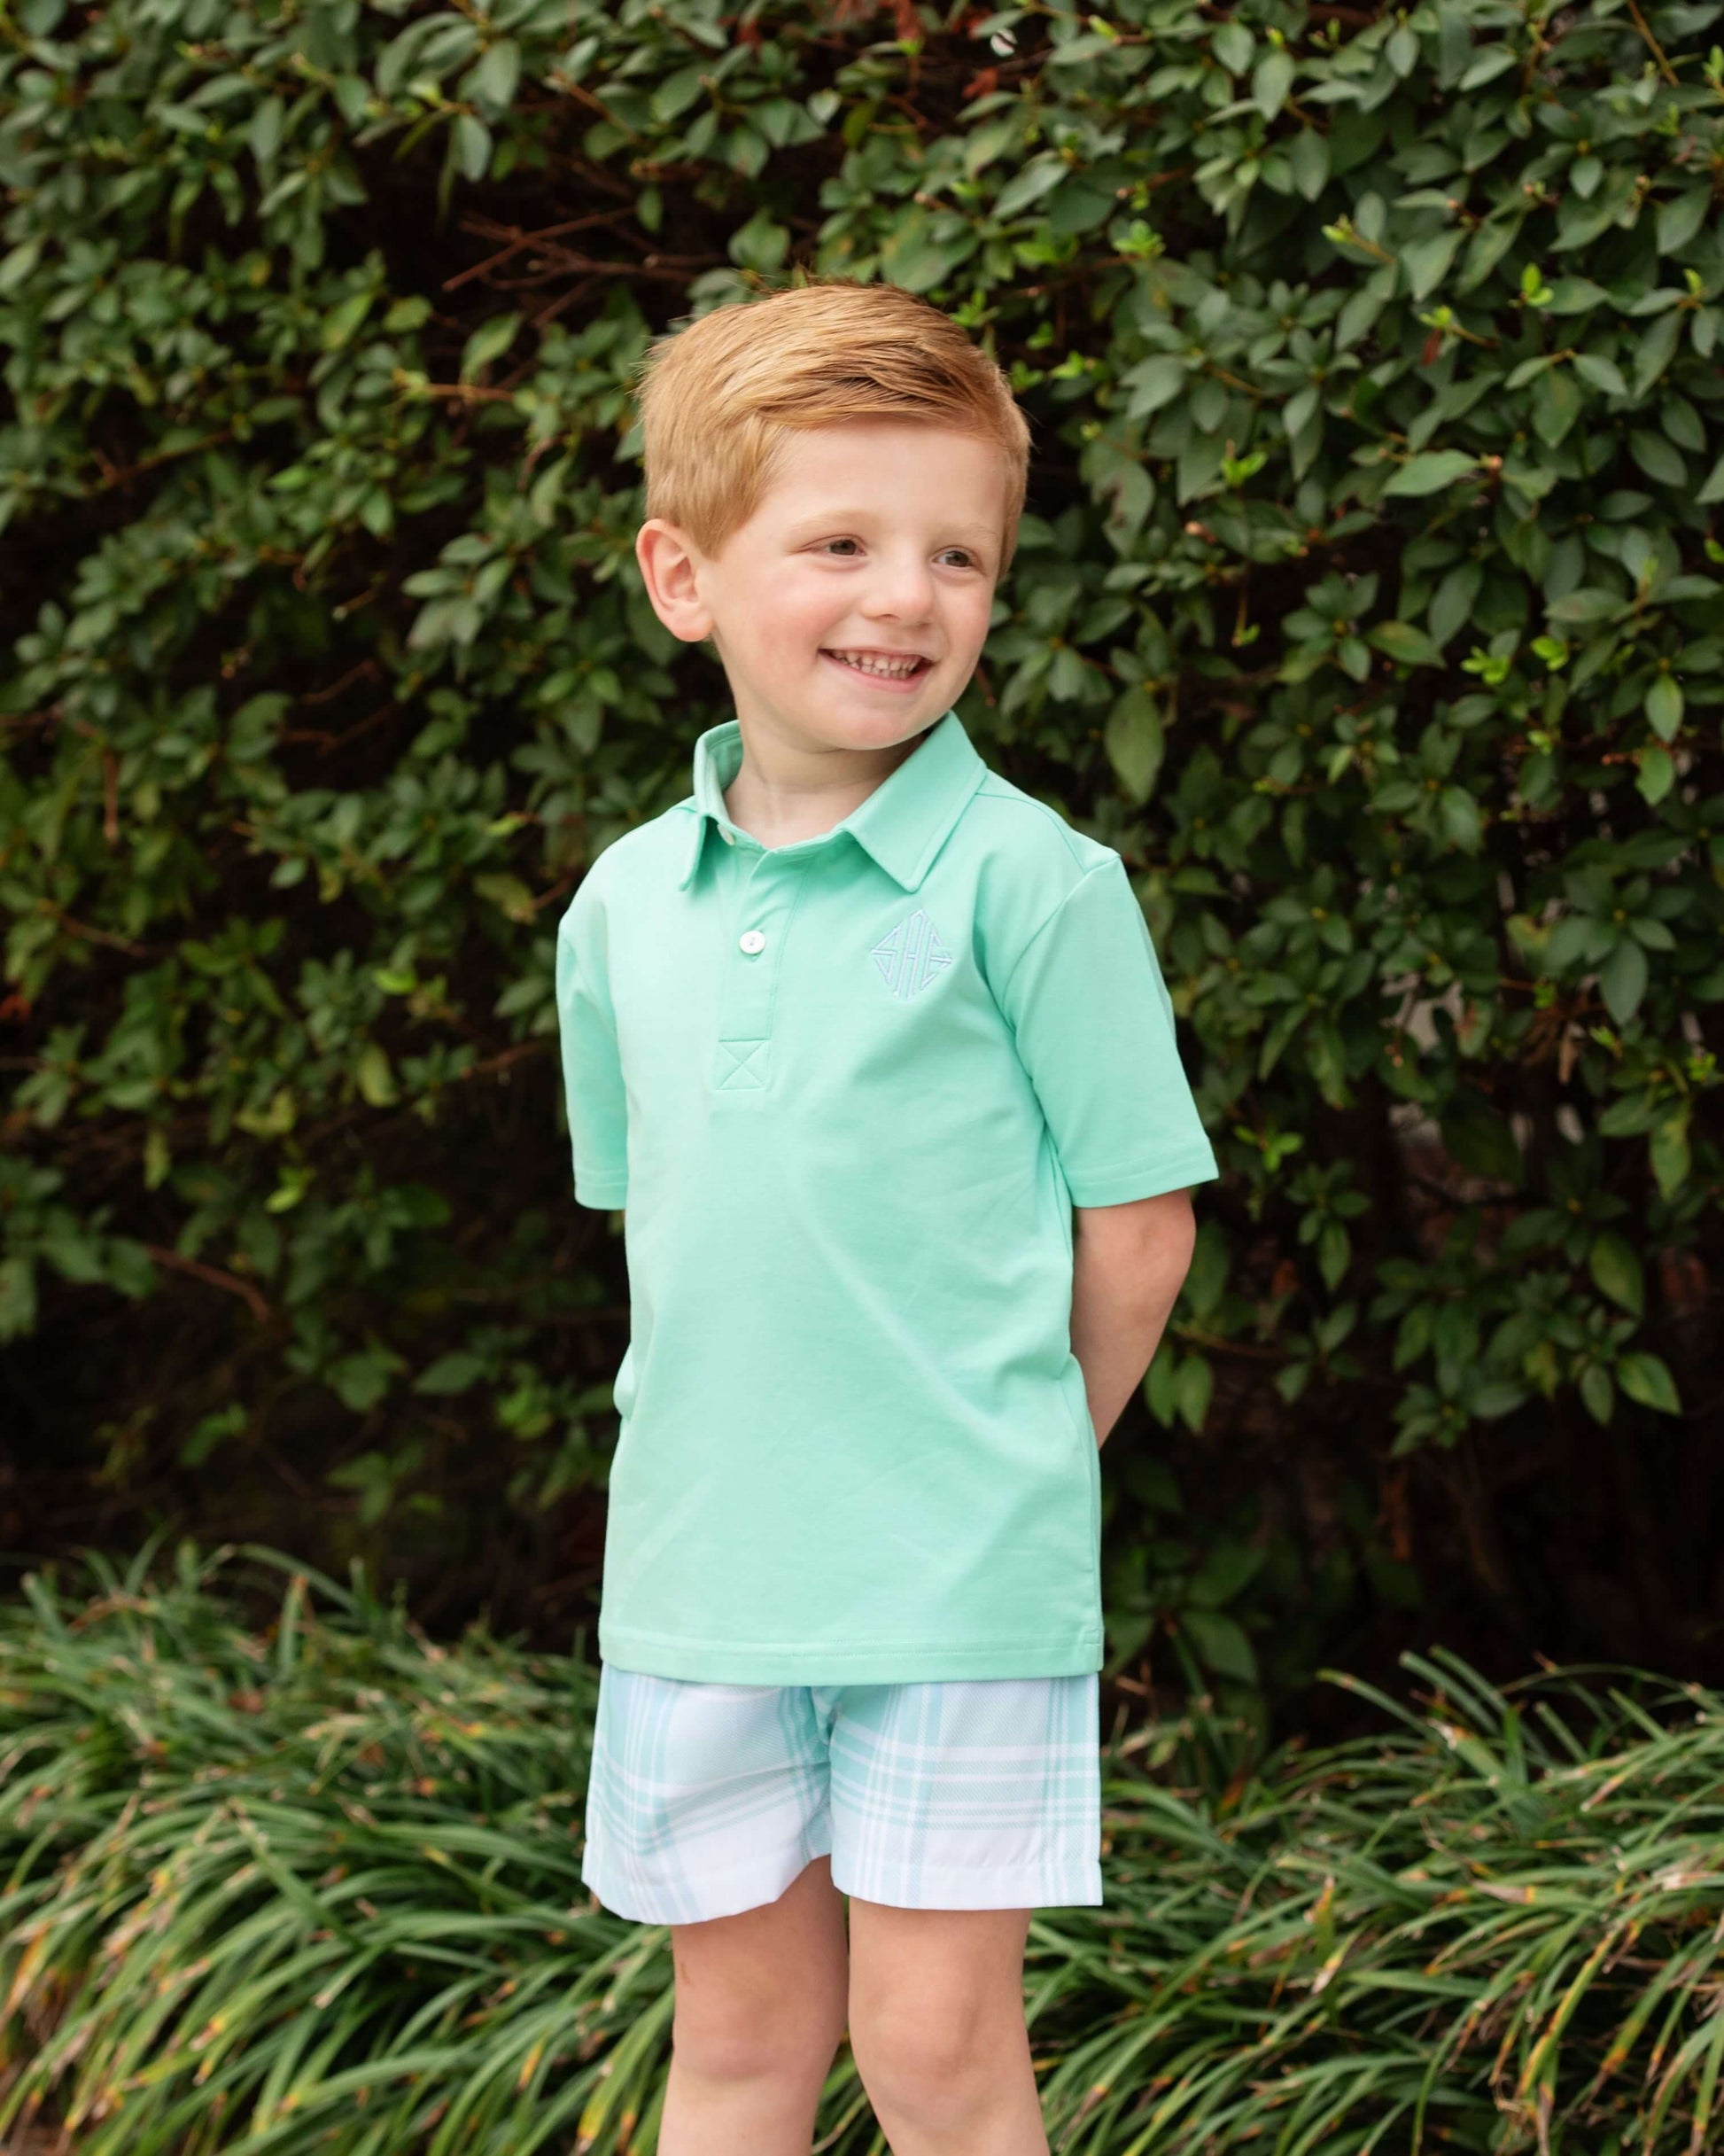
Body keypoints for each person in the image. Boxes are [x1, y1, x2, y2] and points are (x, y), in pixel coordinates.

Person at [554, 276, 1219, 2156]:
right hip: (698, 1582)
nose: (907, 598)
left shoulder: (1038, 883)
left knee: (935, 2049)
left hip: (953, 1579)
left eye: (958, 557)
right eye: (839, 541)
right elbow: (666, 1236)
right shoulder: (621, 906)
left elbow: (1141, 1224)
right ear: (683, 577)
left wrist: (1008, 1457)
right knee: (740, 2046)